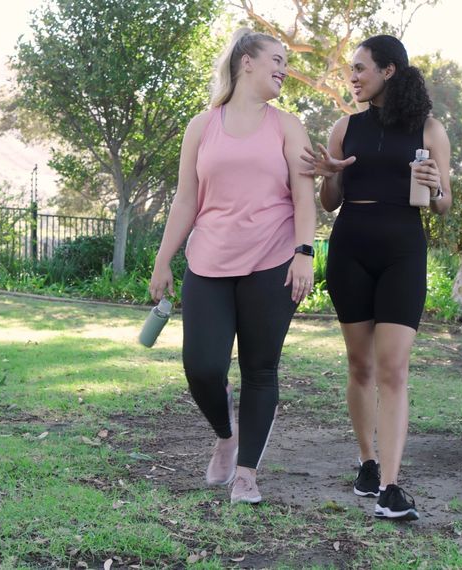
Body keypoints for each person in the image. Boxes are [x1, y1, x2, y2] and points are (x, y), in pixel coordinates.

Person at [148, 28, 316, 505]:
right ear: (247, 62)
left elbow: (304, 197)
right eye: (277, 60)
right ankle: (226, 435)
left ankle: (246, 474)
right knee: (201, 366)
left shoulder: (288, 126)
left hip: (273, 261)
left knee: (260, 369)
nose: (285, 68)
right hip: (209, 262)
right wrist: (163, 262)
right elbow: (186, 200)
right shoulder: (202, 126)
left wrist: (305, 253)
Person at [301, 35, 451, 521]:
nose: (354, 76)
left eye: (361, 68)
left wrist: (436, 188)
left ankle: (390, 484)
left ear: (389, 71)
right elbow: (330, 203)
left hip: (403, 252)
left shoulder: (429, 129)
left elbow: (444, 202)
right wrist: (330, 174)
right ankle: (366, 462)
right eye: (352, 69)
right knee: (360, 366)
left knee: (393, 369)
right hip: (351, 250)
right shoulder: (345, 127)